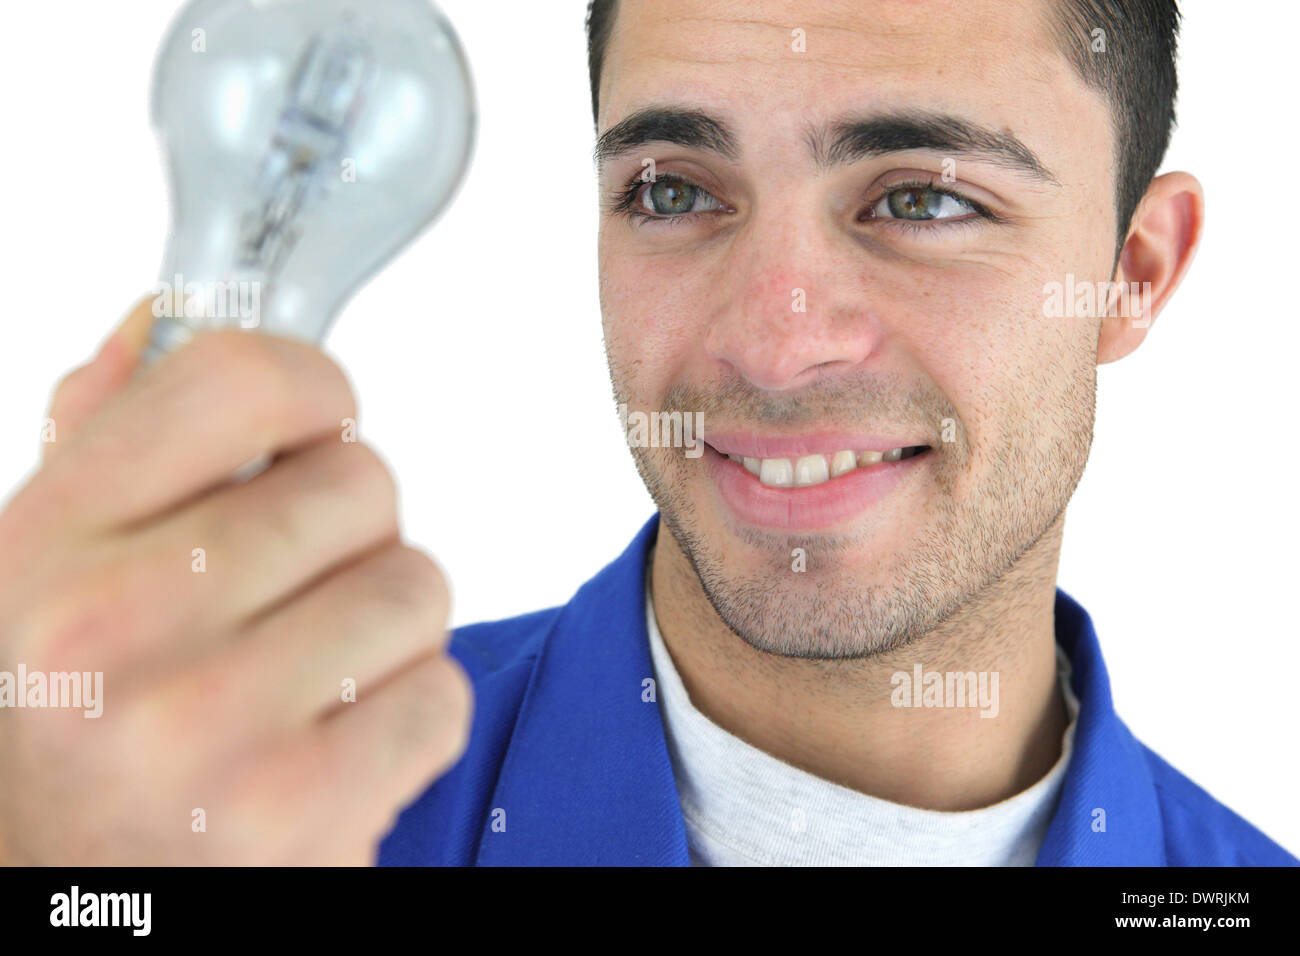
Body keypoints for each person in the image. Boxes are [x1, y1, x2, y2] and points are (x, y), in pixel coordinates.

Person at [0, 0, 1293, 866]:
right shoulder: (204, 819)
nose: (776, 345)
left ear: (1133, 271)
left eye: (924, 200)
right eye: (673, 191)